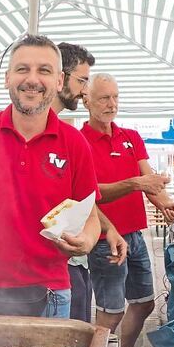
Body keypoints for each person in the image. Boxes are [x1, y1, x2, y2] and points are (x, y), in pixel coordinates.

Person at [0, 35, 101, 319]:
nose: (32, 79)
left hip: (51, 292)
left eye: (44, 70)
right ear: (7, 78)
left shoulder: (75, 143)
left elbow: (91, 216)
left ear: (59, 81)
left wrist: (86, 240)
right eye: (22, 69)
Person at [81, 73, 174, 347]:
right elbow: (90, 193)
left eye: (115, 97)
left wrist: (167, 204)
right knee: (110, 312)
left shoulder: (131, 137)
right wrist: (136, 183)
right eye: (103, 98)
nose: (111, 104)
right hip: (103, 238)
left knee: (144, 303)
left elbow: (149, 181)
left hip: (136, 235)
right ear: (87, 101)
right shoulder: (79, 141)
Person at [52, 42, 127, 323]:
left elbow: (82, 198)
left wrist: (107, 228)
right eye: (82, 80)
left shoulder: (69, 137)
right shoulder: (68, 136)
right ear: (60, 77)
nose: (85, 91)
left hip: (70, 261)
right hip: (44, 270)